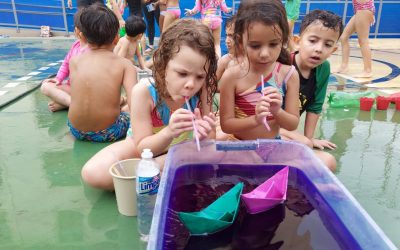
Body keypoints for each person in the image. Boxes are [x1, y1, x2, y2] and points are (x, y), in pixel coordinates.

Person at [81, 19, 218, 190]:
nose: (191, 84)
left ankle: (160, 169)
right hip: (144, 147)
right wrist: (169, 132)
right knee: (94, 172)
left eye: (199, 76)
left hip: (181, 147)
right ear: (163, 65)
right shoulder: (144, 92)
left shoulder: (202, 90)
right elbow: (142, 146)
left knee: (212, 151)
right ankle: (166, 167)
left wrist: (204, 134)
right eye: (182, 73)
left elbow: (210, 139)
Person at [219, 0, 300, 141]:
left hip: (273, 146)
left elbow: (293, 124)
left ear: (284, 40)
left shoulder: (289, 75)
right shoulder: (231, 76)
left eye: (273, 44)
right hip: (238, 146)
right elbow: (226, 125)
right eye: (255, 46)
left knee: (326, 161)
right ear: (239, 41)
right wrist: (255, 120)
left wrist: (277, 111)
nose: (264, 53)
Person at [280, 10, 344, 171]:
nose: (319, 49)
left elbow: (315, 106)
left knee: (328, 162)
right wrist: (304, 141)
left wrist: (309, 138)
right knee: (305, 145)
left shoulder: (323, 69)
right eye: (313, 41)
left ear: (333, 50)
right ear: (297, 41)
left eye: (327, 45)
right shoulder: (283, 64)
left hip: (287, 133)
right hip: (266, 128)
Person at [67, 4, 137, 142]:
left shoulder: (74, 61)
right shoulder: (124, 65)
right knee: (127, 111)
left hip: (76, 130)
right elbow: (135, 102)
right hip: (109, 131)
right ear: (116, 38)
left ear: (83, 36)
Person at [41, 9, 88, 112]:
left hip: (87, 93)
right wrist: (58, 79)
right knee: (46, 86)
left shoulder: (94, 50)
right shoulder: (76, 45)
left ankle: (70, 104)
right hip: (72, 88)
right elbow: (65, 64)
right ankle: (70, 103)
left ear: (76, 31)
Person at [336, 0, 375, 78]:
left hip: (364, 9)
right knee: (344, 37)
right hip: (361, 10)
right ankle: (344, 66)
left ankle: (368, 70)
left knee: (363, 41)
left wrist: (370, 14)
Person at [216, 15, 245, 81]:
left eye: (232, 36)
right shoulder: (225, 61)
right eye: (227, 35)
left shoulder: (254, 60)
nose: (227, 41)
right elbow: (210, 86)